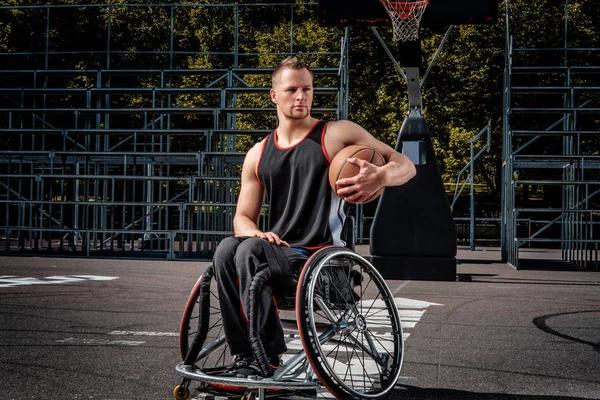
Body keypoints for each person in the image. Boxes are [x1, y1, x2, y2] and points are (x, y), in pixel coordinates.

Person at [212, 56, 416, 378]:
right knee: (227, 248)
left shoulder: (335, 134)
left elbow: (406, 164)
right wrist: (254, 232)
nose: (301, 96)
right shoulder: (258, 153)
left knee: (249, 251)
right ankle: (245, 355)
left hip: (323, 262)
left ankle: (267, 357)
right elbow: (242, 218)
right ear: (273, 95)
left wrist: (382, 176)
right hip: (276, 255)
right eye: (292, 89)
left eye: (307, 89)